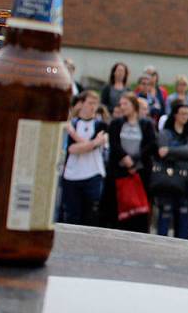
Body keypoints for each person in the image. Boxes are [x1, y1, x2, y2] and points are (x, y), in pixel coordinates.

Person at [105, 93, 157, 232]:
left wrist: (134, 160)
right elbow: (114, 143)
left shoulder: (146, 124)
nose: (122, 107)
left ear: (134, 106)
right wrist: (124, 158)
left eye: (125, 104)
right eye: (120, 104)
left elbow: (151, 144)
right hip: (119, 171)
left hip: (139, 172)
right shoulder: (116, 123)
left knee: (138, 210)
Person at [61, 91, 108, 226]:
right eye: (89, 103)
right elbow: (71, 149)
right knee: (72, 215)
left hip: (92, 174)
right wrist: (92, 143)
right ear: (81, 104)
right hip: (72, 175)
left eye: (95, 104)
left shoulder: (100, 125)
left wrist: (78, 137)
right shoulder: (74, 123)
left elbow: (99, 142)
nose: (92, 107)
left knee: (91, 216)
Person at [154, 101, 188, 239]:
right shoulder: (165, 133)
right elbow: (161, 152)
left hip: (186, 182)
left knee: (184, 216)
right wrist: (181, 154)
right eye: (182, 113)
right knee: (165, 215)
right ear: (175, 115)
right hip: (167, 180)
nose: (185, 116)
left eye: (187, 114)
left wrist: (170, 151)